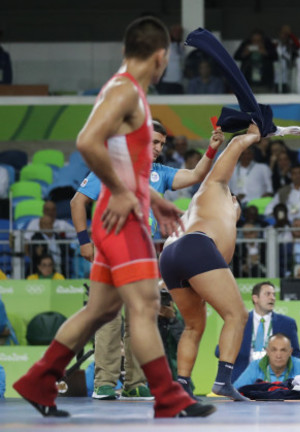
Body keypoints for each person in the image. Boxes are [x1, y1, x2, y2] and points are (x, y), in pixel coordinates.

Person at [13, 16, 213, 418]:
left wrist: (153, 199)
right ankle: (169, 397)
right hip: (122, 219)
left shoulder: (125, 90)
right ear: (161, 56)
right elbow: (87, 141)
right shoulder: (126, 91)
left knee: (100, 310)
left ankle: (38, 379)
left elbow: (127, 165)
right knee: (143, 303)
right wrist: (125, 195)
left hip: (120, 213)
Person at [70, 119, 222, 401]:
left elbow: (194, 175)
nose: (158, 148)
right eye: (153, 142)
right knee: (110, 318)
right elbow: (77, 202)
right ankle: (104, 383)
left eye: (162, 144)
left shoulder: (159, 173)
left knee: (141, 319)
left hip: (145, 253)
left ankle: (134, 383)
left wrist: (212, 150)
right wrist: (83, 242)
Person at [159, 125, 263, 402]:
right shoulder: (215, 188)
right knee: (237, 315)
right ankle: (223, 382)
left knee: (194, 325)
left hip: (173, 256)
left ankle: (182, 383)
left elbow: (180, 248)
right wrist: (247, 138)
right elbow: (231, 152)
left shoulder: (220, 218)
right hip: (195, 248)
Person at [214, 281, 300, 383]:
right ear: (255, 298)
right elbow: (219, 351)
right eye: (267, 294)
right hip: (241, 378)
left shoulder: (287, 323)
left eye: (274, 294)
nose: (272, 298)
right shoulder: (239, 322)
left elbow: (295, 353)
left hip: (276, 380)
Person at [233, 333, 300, 388]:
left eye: (283, 350)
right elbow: (237, 390)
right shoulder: (255, 366)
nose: (278, 355)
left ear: (290, 352)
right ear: (267, 351)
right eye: (274, 350)